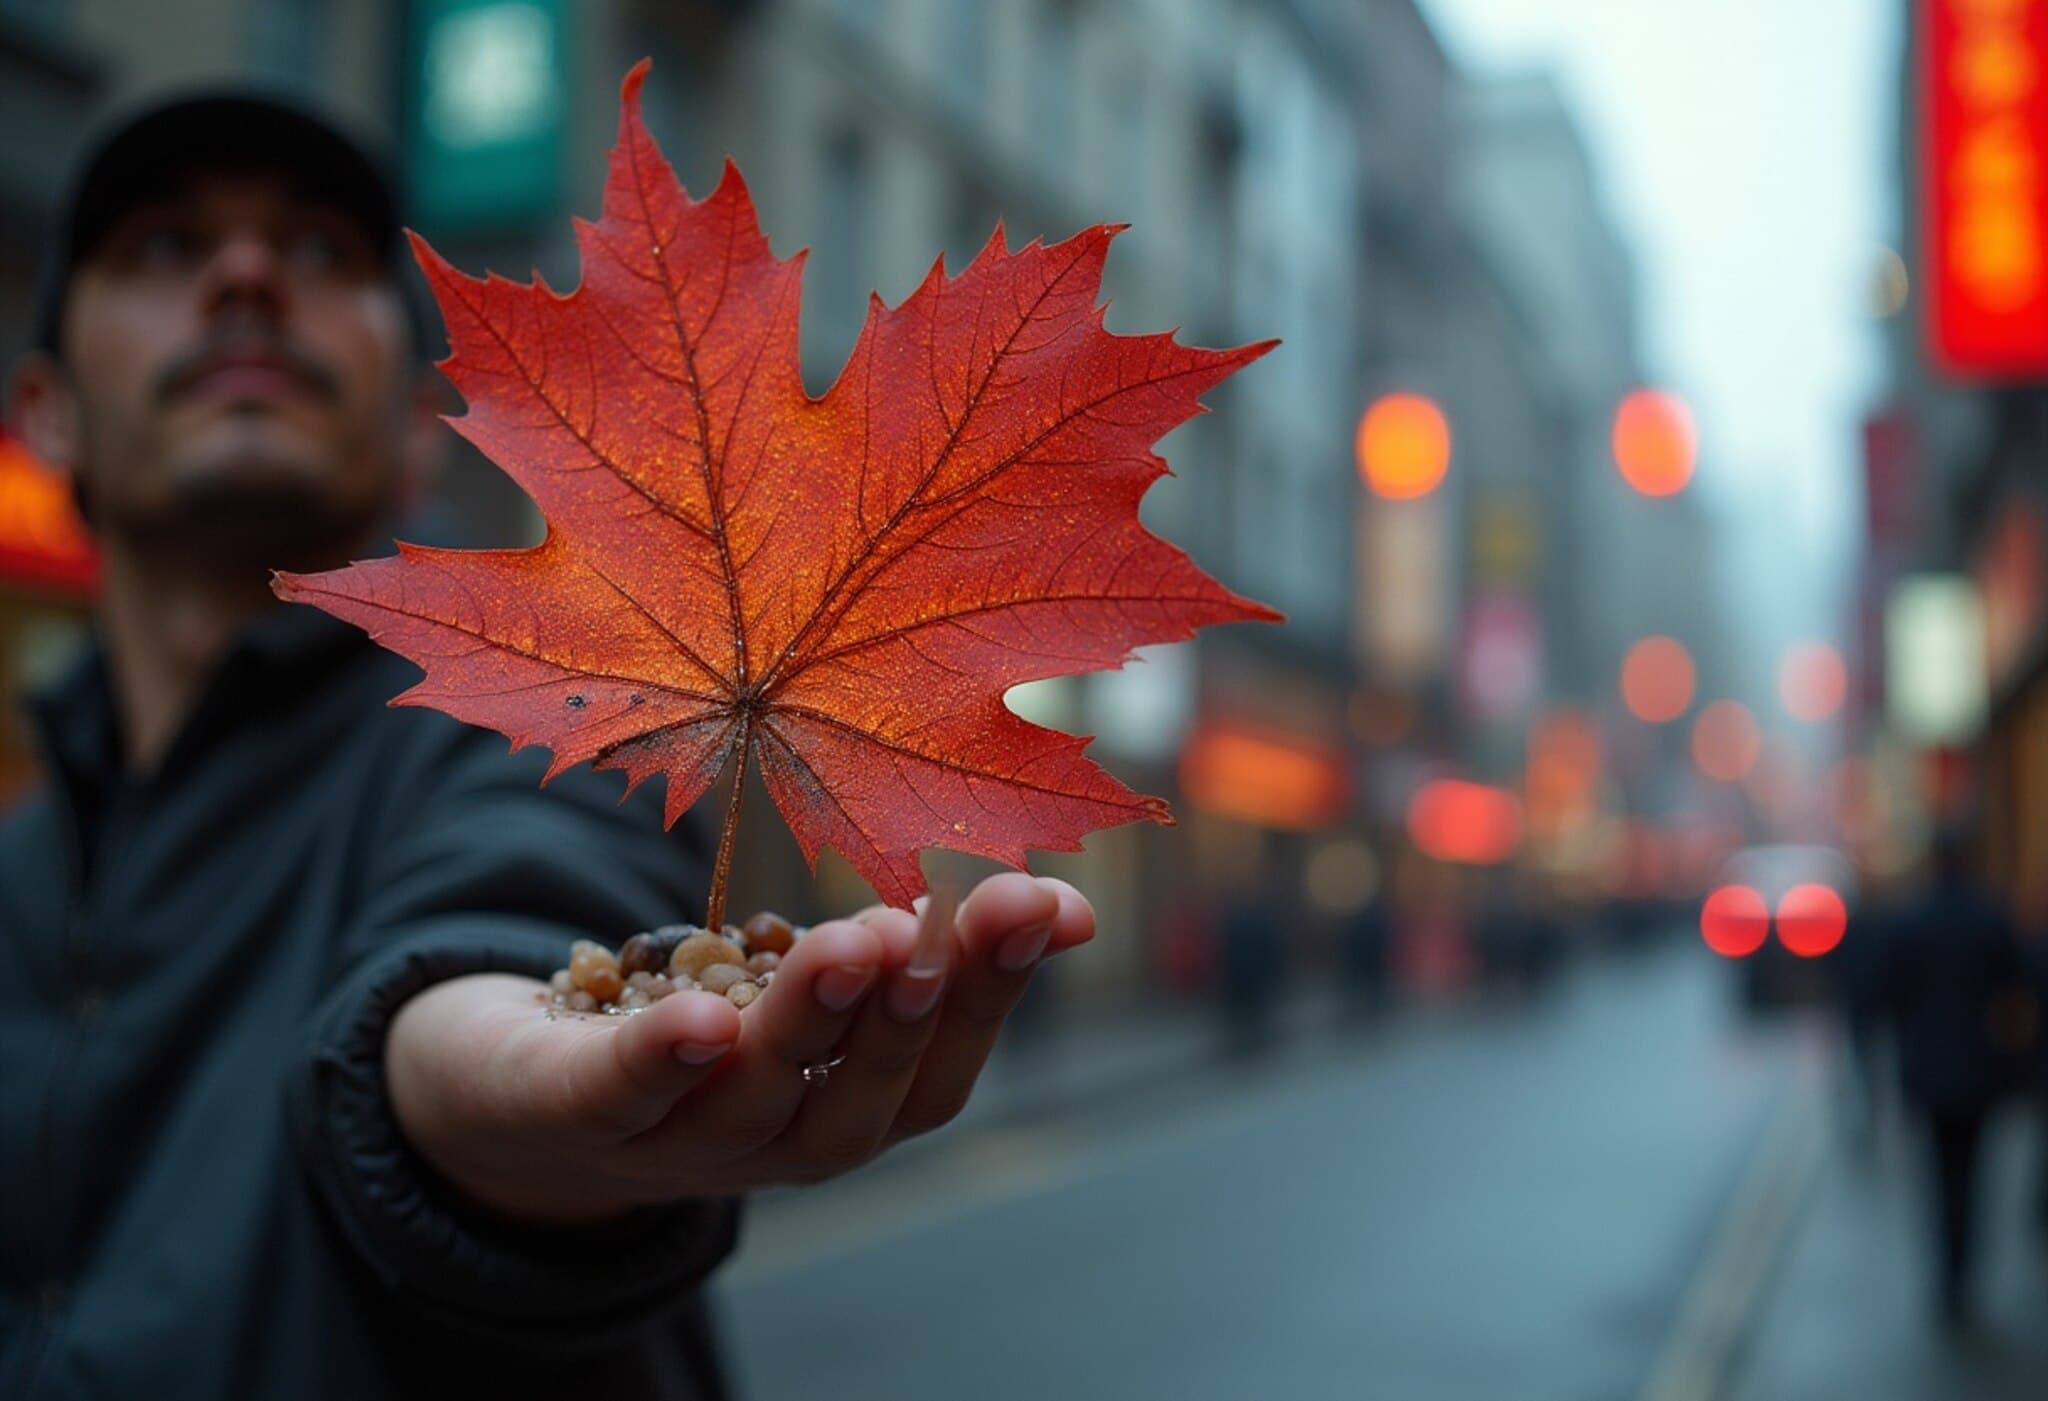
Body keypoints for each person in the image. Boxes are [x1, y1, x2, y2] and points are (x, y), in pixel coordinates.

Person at [0, 90, 1093, 1398]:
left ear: (419, 430)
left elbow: (526, 889)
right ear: (44, 407)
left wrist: (507, 1105)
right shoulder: (20, 871)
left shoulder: (525, 720)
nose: (245, 276)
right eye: (167, 247)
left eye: (320, 254)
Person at [1882, 826, 2025, 1331]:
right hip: (1979, 1071)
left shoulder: (1910, 922)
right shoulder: (1989, 918)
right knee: (1974, 1177)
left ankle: (1947, 1281)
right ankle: (1965, 1280)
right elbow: (2018, 984)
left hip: (1927, 1074)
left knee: (1939, 1180)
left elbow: (1888, 998)